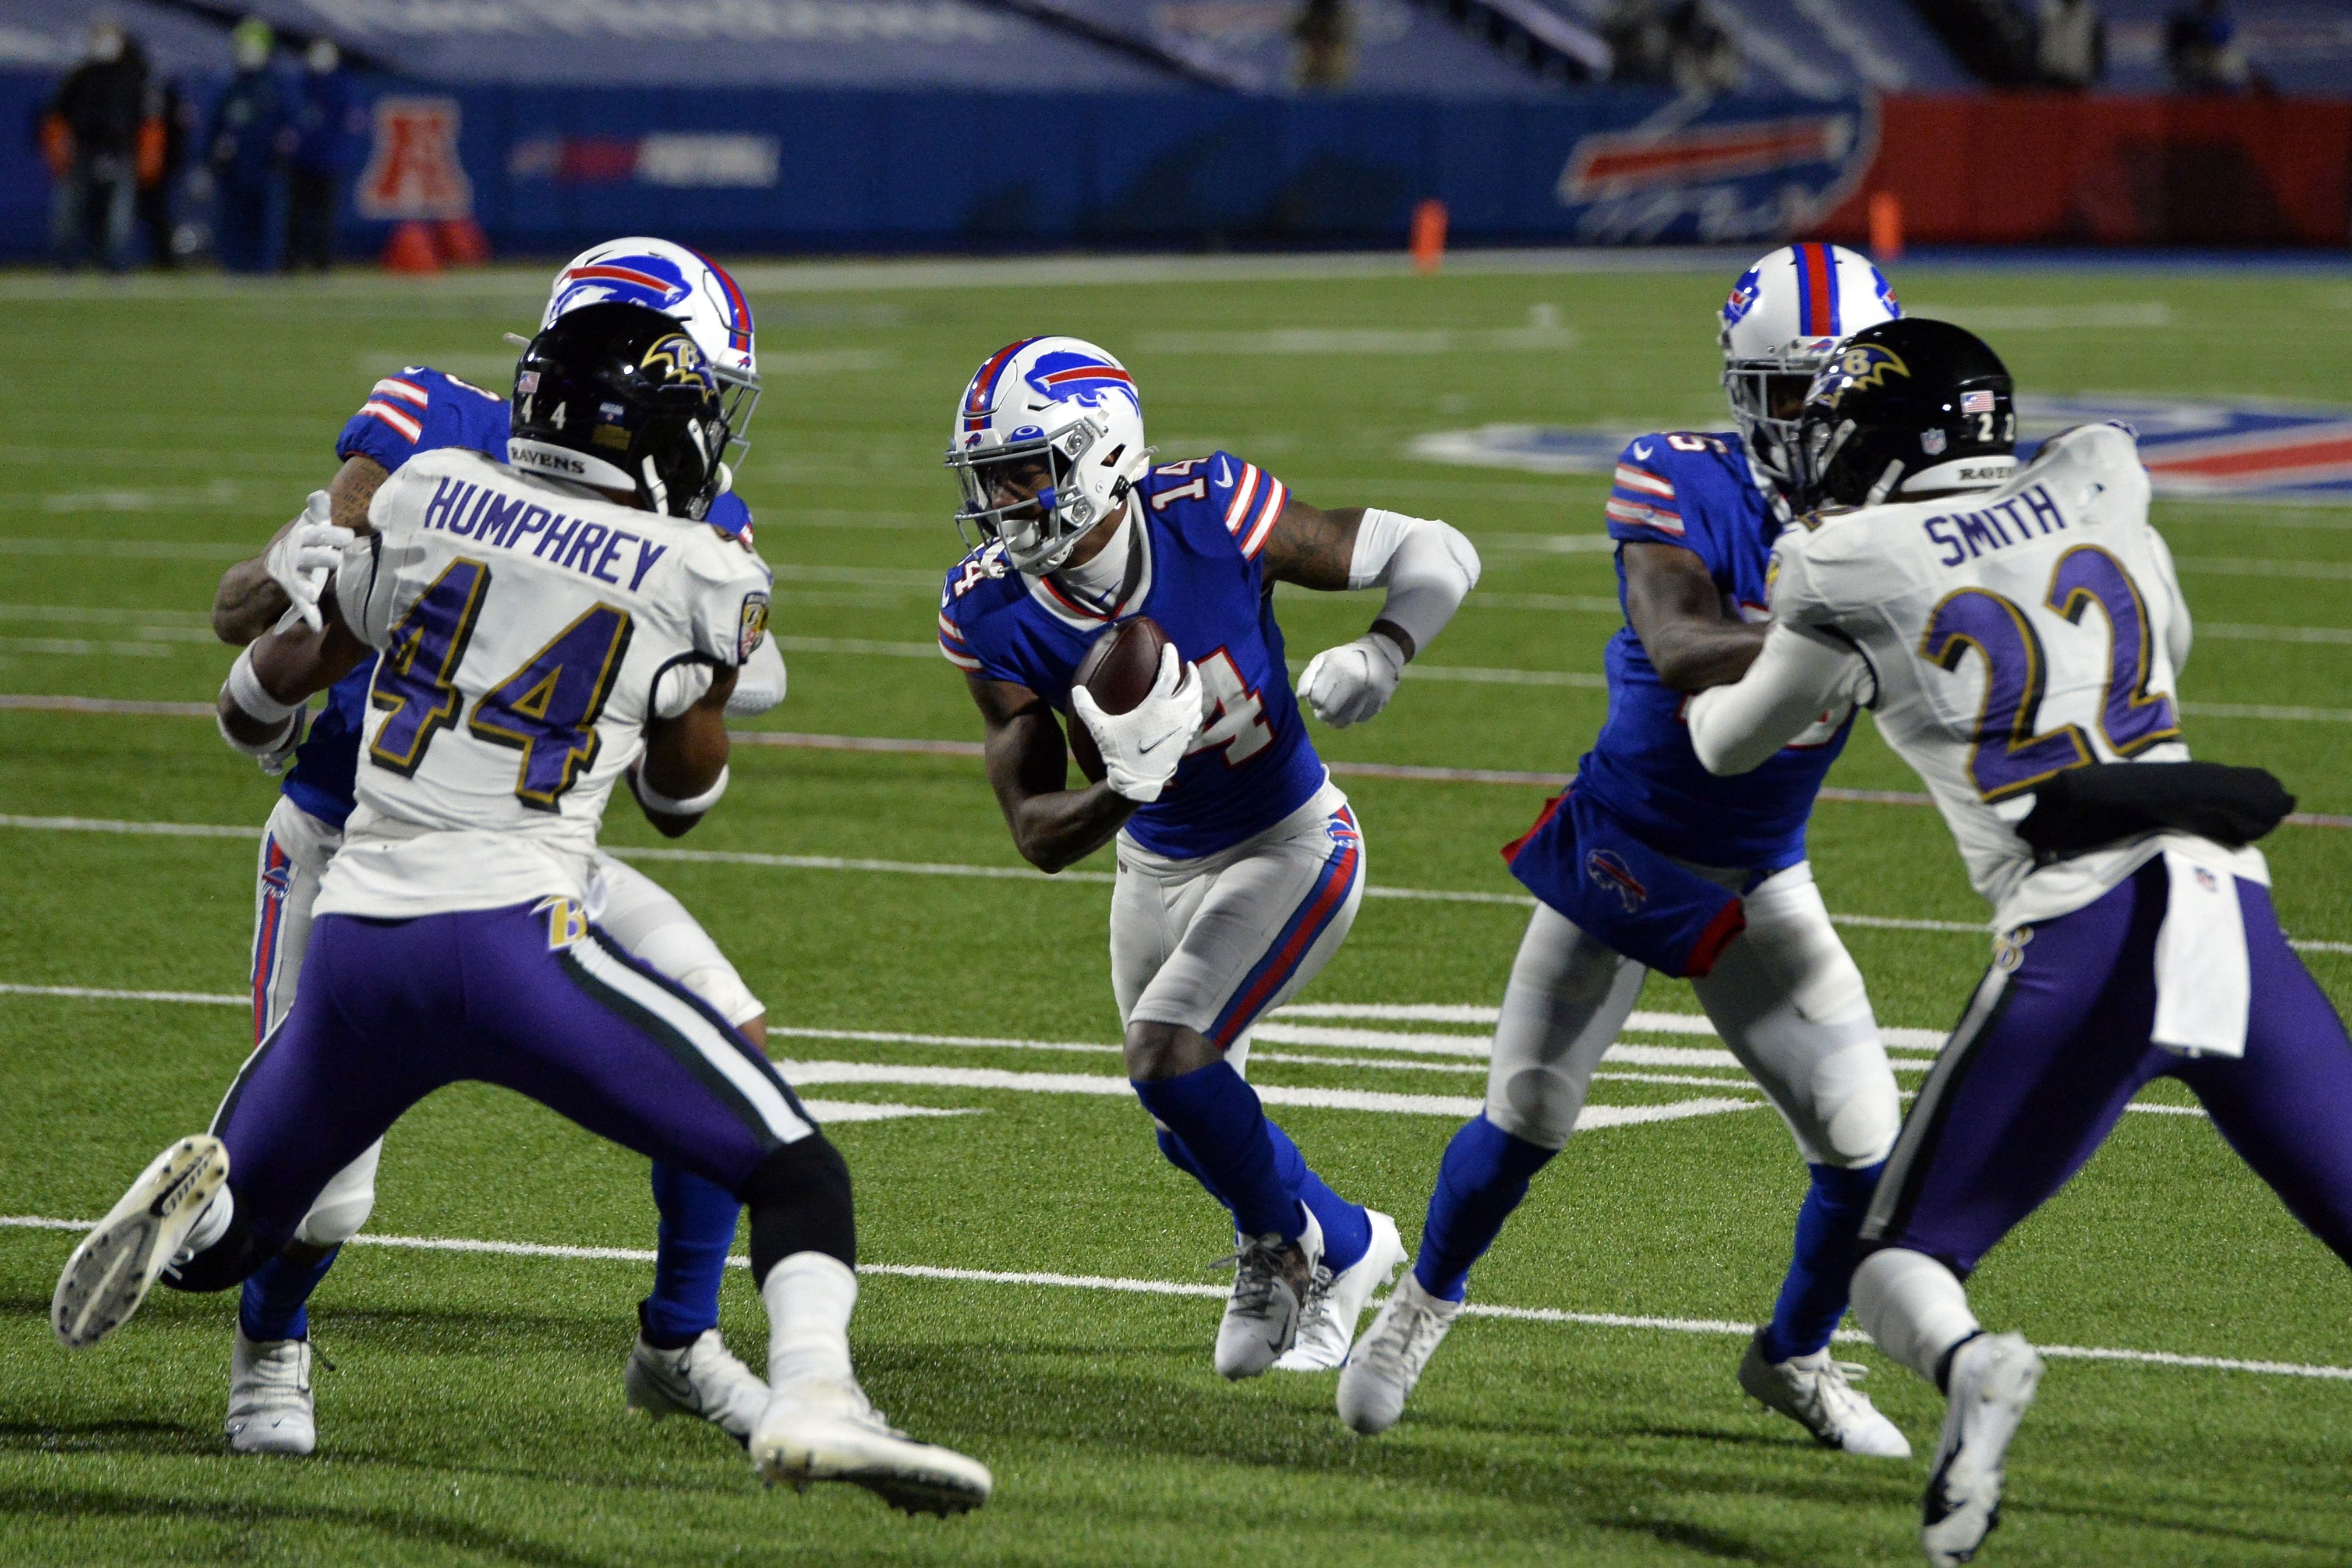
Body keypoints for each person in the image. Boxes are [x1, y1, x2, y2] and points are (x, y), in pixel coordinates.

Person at [54, 299, 991, 1516]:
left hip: (360, 939)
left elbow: (251, 709)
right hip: (514, 942)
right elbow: (681, 795)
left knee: (248, 1231)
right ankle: (817, 1390)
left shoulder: (426, 487)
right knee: (798, 1166)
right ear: (646, 426)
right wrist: (698, 676)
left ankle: (201, 1212)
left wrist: (302, 589)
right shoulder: (697, 566)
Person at [1683, 317, 2340, 1565]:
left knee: (1896, 1261)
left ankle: (1976, 1364)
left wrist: (1707, 670)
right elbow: (2170, 645)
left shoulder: (1841, 560)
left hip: (2082, 920)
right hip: (2227, 899)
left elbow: (1727, 743)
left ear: (1886, 433)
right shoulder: (2099, 476)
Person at [205, 240, 783, 1457]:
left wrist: (704, 685)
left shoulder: (695, 512)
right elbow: (252, 618)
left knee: (724, 1026)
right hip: (357, 840)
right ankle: (271, 1337)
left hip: (534, 852)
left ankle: (679, 1338)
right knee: (322, 1193)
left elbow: (684, 796)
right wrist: (280, 567)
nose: (712, 422)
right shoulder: (431, 427)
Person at [1336, 245, 1909, 1458]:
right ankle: (1422, 1298)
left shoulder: (1912, 518)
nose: (1811, 421)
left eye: (1834, 392)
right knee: (1530, 1110)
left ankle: (1793, 1353)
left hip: (1762, 879)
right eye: (1787, 392)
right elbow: (1677, 638)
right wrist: (1835, 631)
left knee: (1867, 1151)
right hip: (1627, 854)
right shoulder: (1679, 473)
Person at [936, 336, 1480, 1375]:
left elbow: (1438, 548)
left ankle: (1283, 1245)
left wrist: (1384, 649)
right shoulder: (987, 610)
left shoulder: (1211, 509)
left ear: (1101, 457)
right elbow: (1037, 834)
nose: (1001, 501)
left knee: (1167, 1056)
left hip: (1289, 838)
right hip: (1150, 864)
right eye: (987, 477)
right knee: (1184, 1121)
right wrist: (1121, 786)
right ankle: (1345, 1240)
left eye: (1023, 469)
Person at [45, 21, 147, 271]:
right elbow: (59, 115)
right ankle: (63, 264)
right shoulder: (81, 76)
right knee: (70, 210)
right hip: (83, 150)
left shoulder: (130, 77)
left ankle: (115, 266)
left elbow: (143, 119)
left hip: (121, 152)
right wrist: (61, 148)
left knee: (118, 215)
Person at [207, 17, 287, 274]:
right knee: (234, 220)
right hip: (235, 167)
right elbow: (216, 127)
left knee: (266, 221)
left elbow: (287, 128)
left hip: (266, 166)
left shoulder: (276, 88)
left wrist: (280, 152)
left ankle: (264, 269)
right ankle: (234, 267)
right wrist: (215, 152)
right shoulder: (231, 88)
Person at [284, 39, 365, 272]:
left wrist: (336, 155)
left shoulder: (342, 86)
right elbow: (292, 119)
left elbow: (351, 124)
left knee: (325, 218)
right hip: (302, 160)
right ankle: (293, 261)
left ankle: (322, 263)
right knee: (296, 217)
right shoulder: (301, 84)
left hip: (329, 162)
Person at [2036, 0, 2106, 89]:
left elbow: (2097, 48)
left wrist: (2093, 73)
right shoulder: (2046, 11)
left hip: (2079, 78)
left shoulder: (2090, 14)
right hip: (2049, 77)